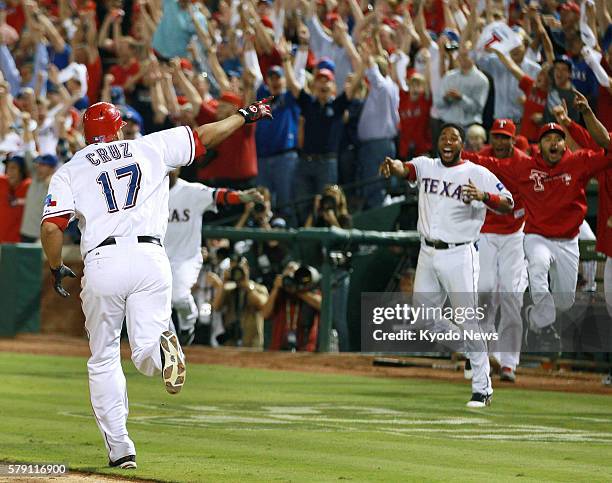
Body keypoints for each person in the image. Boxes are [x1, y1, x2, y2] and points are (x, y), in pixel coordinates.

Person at [40, 98, 272, 469]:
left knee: (103, 358)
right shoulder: (149, 146)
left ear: (87, 135)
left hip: (103, 259)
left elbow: (53, 226)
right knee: (146, 346)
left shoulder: (71, 169)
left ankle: (121, 449)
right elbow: (206, 136)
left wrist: (55, 267)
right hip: (152, 257)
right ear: (118, 128)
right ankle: (160, 353)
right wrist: (244, 116)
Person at [380, 123, 514, 408]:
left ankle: (482, 388)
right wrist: (393, 166)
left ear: (462, 143)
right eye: (443, 137)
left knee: (467, 320)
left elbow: (508, 202)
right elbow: (406, 170)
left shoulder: (476, 172)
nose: (448, 142)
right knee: (425, 318)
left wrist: (483, 197)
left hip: (460, 253)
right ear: (438, 142)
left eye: (454, 137)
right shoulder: (426, 165)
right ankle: (471, 349)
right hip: (428, 252)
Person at [463, 101, 612, 351]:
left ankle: (535, 318)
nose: (553, 143)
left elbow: (607, 153)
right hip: (537, 236)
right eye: (547, 139)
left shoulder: (579, 162)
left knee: (564, 301)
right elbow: (490, 163)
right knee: (539, 265)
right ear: (539, 145)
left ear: (564, 144)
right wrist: (459, 154)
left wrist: (576, 120)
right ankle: (543, 326)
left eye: (558, 139)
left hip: (568, 239)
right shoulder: (525, 167)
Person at [165, 168, 263, 346]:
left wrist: (241, 197)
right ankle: (171, 347)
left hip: (186, 258)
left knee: (178, 297)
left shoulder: (191, 191)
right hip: (158, 258)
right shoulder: (149, 192)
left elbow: (218, 195)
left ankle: (188, 322)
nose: (169, 172)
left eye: (173, 168)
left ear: (179, 170)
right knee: (158, 306)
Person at [463, 119, 529, 383]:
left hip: (515, 232)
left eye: (505, 137)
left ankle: (509, 362)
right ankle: (486, 356)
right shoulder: (481, 159)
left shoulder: (524, 162)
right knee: (486, 291)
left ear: (513, 140)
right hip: (487, 231)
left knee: (512, 296)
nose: (500, 142)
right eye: (497, 137)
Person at [208, 255, 269, 349]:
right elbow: (216, 306)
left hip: (251, 342)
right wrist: (225, 281)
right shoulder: (228, 289)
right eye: (234, 268)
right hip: (230, 341)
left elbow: (262, 305)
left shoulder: (259, 288)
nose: (237, 272)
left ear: (247, 268)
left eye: (239, 268)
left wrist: (246, 286)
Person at [263, 262, 322, 352]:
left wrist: (297, 290)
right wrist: (276, 288)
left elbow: (322, 305)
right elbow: (265, 313)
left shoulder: (309, 292)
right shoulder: (279, 294)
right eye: (288, 270)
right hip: (278, 348)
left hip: (305, 349)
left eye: (294, 272)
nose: (291, 275)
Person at [20, 154, 58, 242]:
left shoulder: (54, 186)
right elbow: (28, 154)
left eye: (43, 165)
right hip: (25, 233)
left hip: (40, 237)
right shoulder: (35, 178)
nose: (39, 168)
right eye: (39, 165)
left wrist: (53, 180)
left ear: (52, 168)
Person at [0, 155, 30, 243]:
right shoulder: (2, 182)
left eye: (13, 168)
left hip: (18, 244)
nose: (9, 172)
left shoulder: (29, 186)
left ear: (22, 171)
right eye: (8, 168)